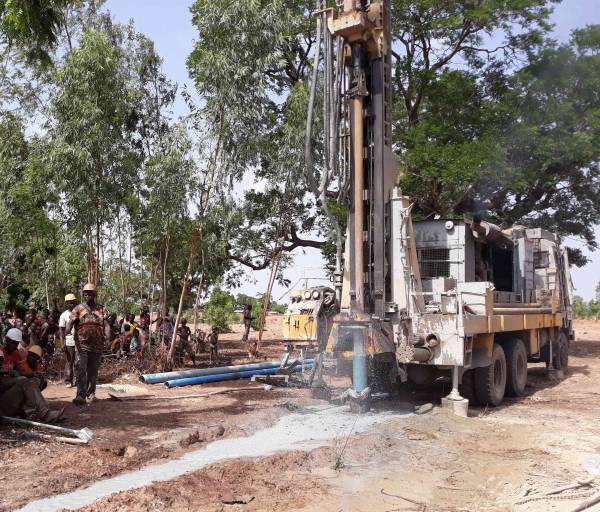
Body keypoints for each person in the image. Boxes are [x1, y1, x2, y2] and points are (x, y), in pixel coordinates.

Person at [67, 283, 106, 405]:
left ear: (95, 294)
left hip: (97, 345)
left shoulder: (101, 309)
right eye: (85, 293)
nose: (87, 295)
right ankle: (80, 395)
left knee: (93, 371)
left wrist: (108, 337)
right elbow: (70, 322)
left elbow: (107, 324)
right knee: (81, 369)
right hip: (81, 345)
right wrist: (66, 330)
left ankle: (91, 394)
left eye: (90, 293)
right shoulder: (78, 308)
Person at [59, 294, 78, 387]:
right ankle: (68, 380)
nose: (71, 304)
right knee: (69, 361)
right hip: (69, 341)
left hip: (79, 341)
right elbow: (61, 331)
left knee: (78, 362)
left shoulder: (80, 313)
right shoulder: (64, 315)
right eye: (69, 302)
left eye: (73, 302)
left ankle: (78, 380)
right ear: (66, 303)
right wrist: (62, 343)